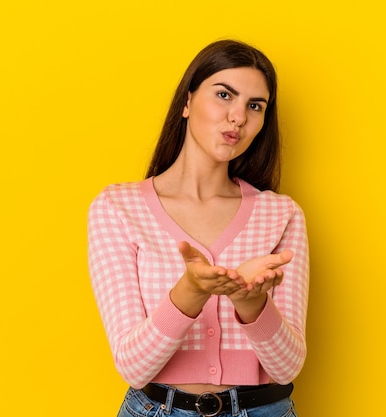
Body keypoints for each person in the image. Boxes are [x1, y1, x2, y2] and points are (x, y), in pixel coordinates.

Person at [87, 39, 309, 417]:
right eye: (225, 95)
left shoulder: (280, 214)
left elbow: (286, 368)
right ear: (187, 102)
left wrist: (250, 300)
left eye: (255, 106)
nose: (238, 116)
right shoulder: (117, 208)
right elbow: (133, 367)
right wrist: (190, 292)